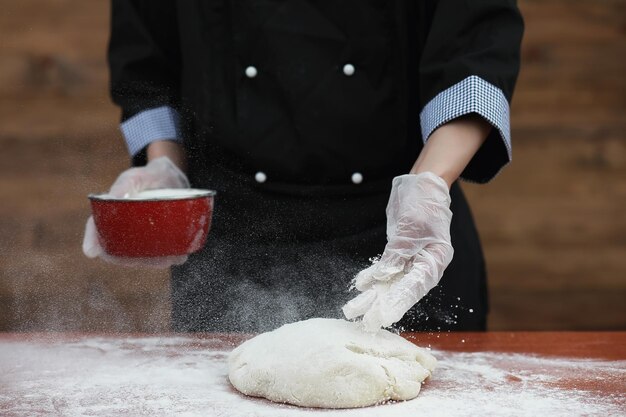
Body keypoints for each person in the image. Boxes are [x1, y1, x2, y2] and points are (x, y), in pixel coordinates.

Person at [83, 0, 524, 333]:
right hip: (235, 244)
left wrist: (429, 183)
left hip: (398, 241)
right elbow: (144, 58)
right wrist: (165, 170)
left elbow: (478, 48)